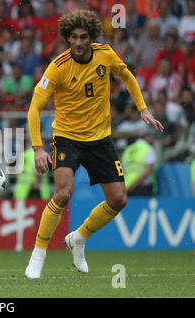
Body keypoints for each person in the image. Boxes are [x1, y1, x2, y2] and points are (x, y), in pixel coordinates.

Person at [25, 10, 163, 279]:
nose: (78, 42)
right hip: (67, 137)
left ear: (91, 38)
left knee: (118, 199)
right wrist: (38, 148)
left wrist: (143, 109)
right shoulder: (58, 67)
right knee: (63, 193)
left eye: (83, 37)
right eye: (73, 37)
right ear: (67, 38)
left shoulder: (105, 54)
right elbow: (34, 108)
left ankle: (78, 238)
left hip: (100, 139)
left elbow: (127, 75)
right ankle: (38, 254)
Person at [122, 129, 158, 196]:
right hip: (143, 186)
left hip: (127, 185)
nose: (153, 139)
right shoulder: (148, 148)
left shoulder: (128, 149)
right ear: (147, 136)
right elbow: (148, 169)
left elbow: (122, 170)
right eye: (152, 137)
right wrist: (135, 184)